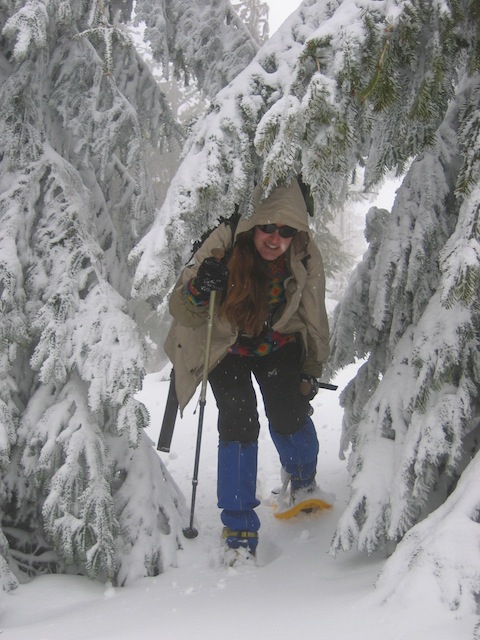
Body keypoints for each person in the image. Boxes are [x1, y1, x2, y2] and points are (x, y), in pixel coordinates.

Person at [164, 179, 330, 561]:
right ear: (254, 224)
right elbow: (182, 307)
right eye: (268, 227)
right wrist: (201, 287)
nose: (275, 238)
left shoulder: (304, 253)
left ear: (297, 233)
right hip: (227, 346)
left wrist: (311, 366)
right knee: (239, 419)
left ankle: (303, 481)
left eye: (286, 231)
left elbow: (314, 311)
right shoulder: (223, 242)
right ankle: (238, 522)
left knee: (288, 411)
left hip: (278, 342)